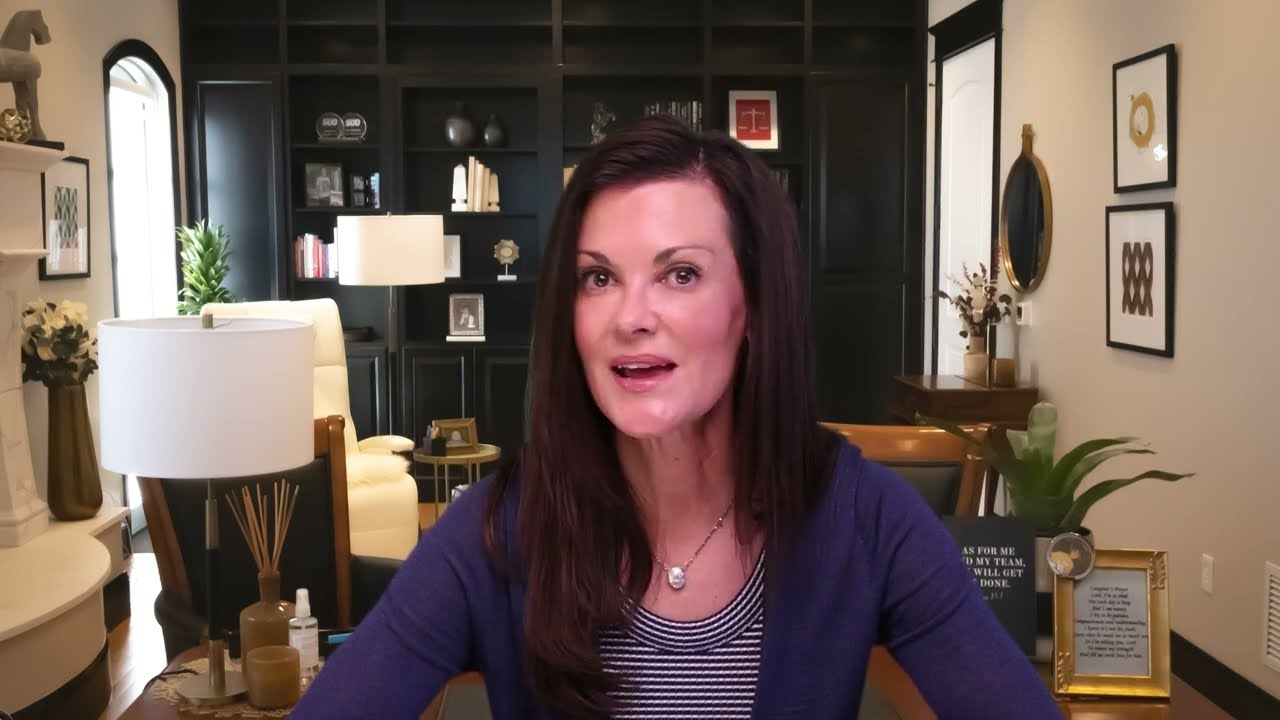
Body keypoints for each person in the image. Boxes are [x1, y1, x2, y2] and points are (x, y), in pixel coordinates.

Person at [292, 115, 1060, 718]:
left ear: (753, 308)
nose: (631, 316)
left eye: (680, 274)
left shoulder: (870, 520)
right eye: (597, 278)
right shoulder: (494, 531)